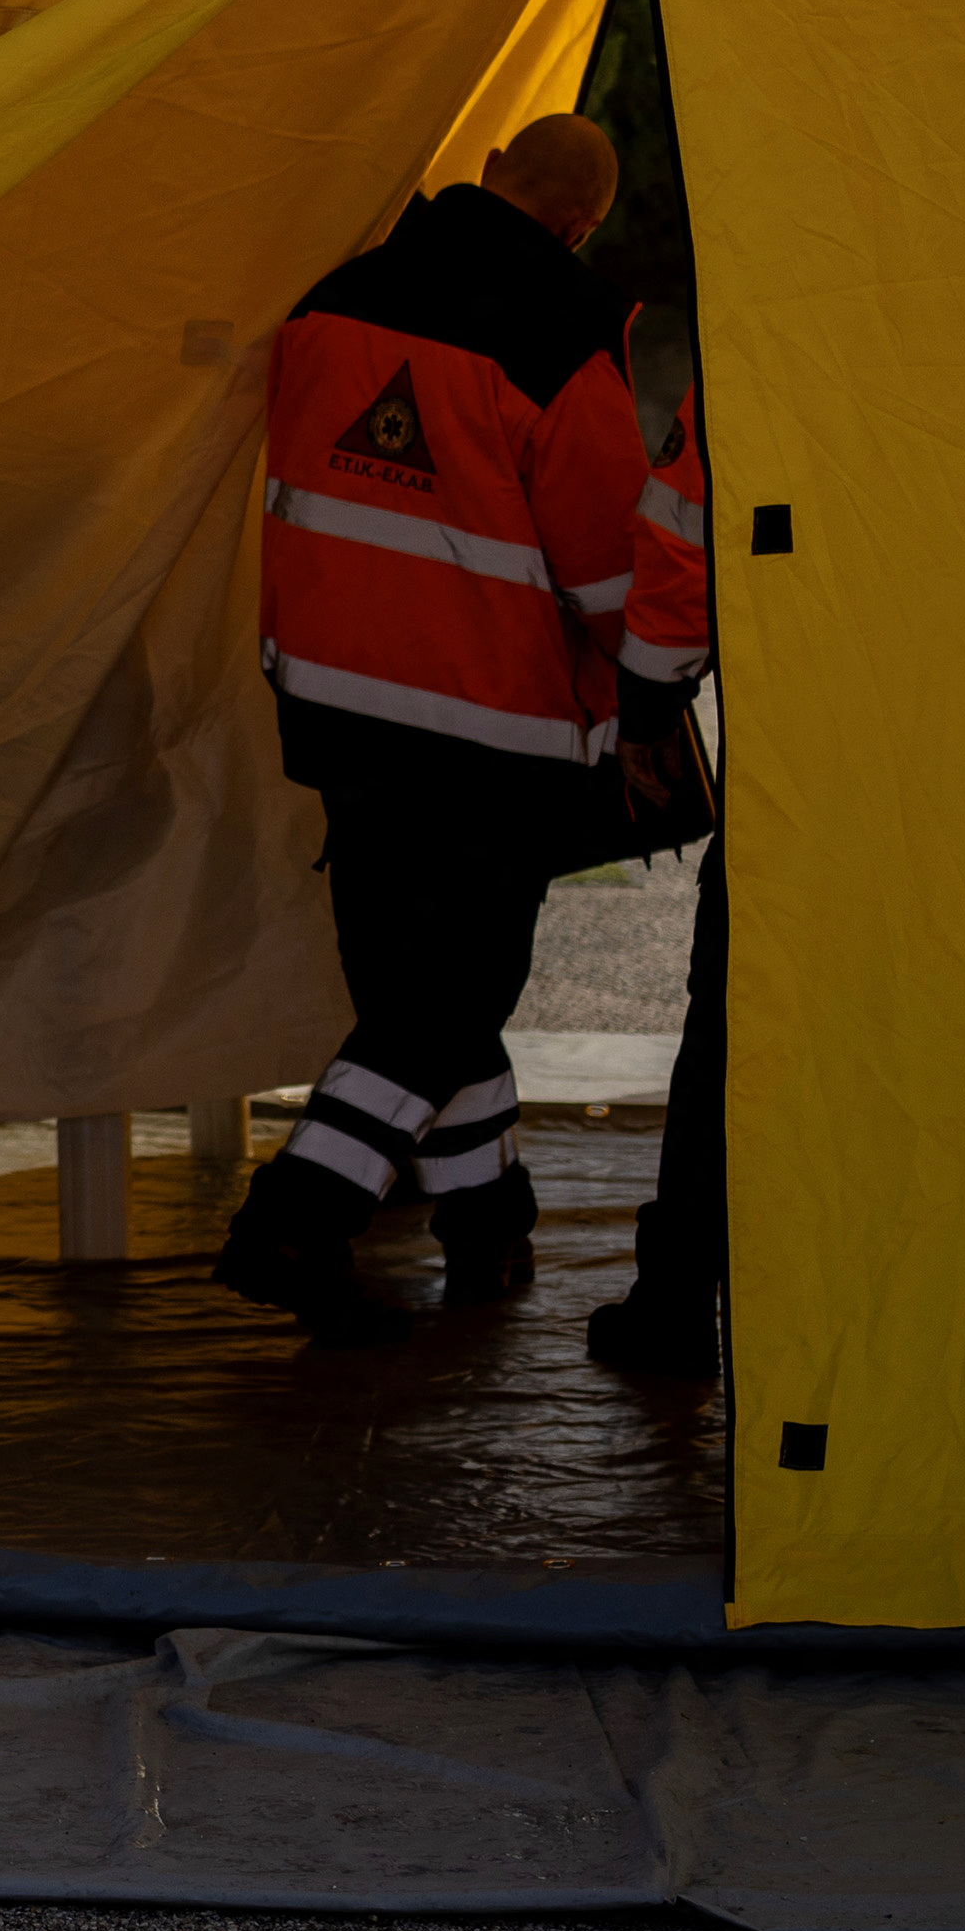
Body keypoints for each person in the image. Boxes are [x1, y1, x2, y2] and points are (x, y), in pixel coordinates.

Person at [214, 113, 641, 1344]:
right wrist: (645, 694)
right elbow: (608, 572)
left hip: (332, 701)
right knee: (445, 998)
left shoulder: (334, 293)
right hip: (485, 722)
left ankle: (485, 1218)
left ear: (495, 165)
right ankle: (292, 1218)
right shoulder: (564, 339)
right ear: (576, 223)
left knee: (416, 985)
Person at [586, 301, 728, 1383]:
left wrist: (644, 717)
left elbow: (678, 553)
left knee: (731, 1034)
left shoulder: (762, 345)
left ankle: (678, 1300)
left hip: (808, 772)